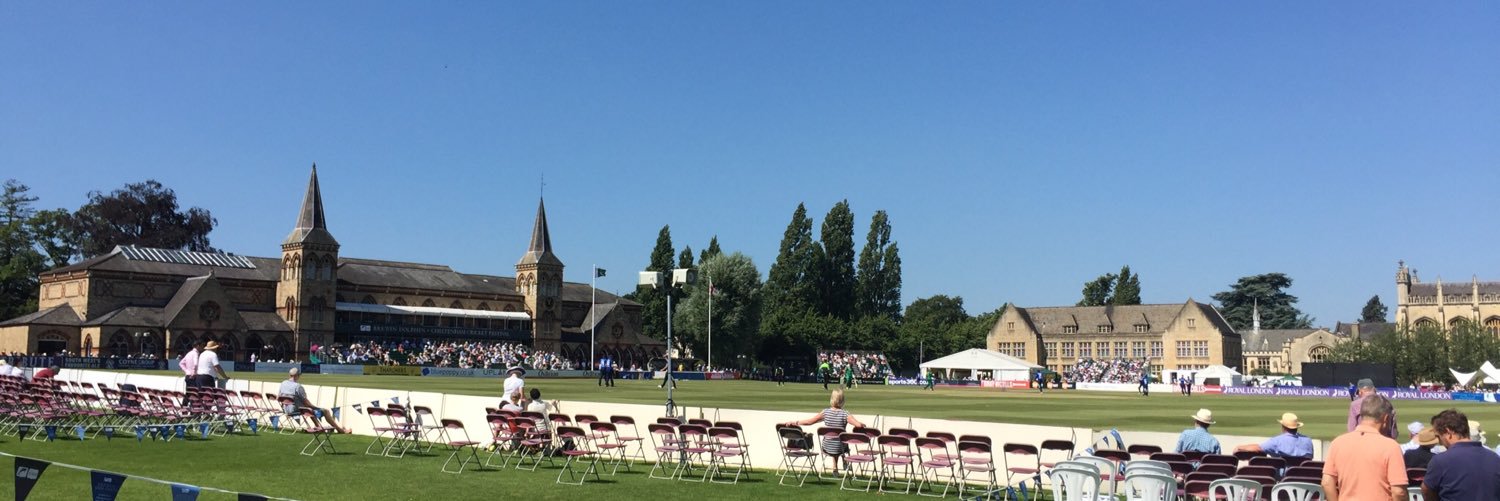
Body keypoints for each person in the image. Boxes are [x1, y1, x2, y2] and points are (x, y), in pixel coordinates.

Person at [1323, 394, 1406, 501]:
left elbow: (1326, 482)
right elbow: (1398, 492)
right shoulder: (1391, 447)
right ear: (1386, 418)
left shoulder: (1337, 443)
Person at [779, 389, 868, 471]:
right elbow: (858, 425)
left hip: (827, 447)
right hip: (840, 447)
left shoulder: (825, 412)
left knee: (834, 439)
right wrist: (862, 424)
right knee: (842, 441)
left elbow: (810, 422)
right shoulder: (845, 414)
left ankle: (835, 466)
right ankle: (844, 460)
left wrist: (795, 422)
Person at [1422, 409, 1500, 500]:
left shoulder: (1440, 461)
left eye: (1438, 436)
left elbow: (1427, 491)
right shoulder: (1494, 458)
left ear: (1448, 432)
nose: (1439, 442)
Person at [278, 367, 350, 433]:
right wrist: (318, 408)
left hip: (286, 409)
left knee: (308, 408)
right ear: (297, 375)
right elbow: (307, 403)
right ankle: (340, 430)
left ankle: (318, 426)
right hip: (296, 410)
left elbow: (279, 397)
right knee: (324, 411)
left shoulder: (283, 383)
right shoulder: (298, 387)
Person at [1235, 413, 1313, 460]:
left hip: (1284, 477)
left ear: (1283, 427)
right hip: (1304, 475)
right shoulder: (1308, 441)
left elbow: (1258, 448)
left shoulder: (1277, 441)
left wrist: (1239, 447)